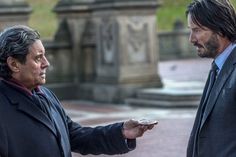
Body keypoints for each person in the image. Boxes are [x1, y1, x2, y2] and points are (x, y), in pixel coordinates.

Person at [0, 25, 157, 157]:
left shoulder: (45, 94)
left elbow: (75, 136)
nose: (46, 63)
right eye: (38, 58)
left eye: (44, 56)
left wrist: (122, 132)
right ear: (14, 64)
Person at [186, 0, 236, 156]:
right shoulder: (218, 66)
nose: (192, 39)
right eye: (190, 30)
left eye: (197, 30)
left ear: (220, 29)